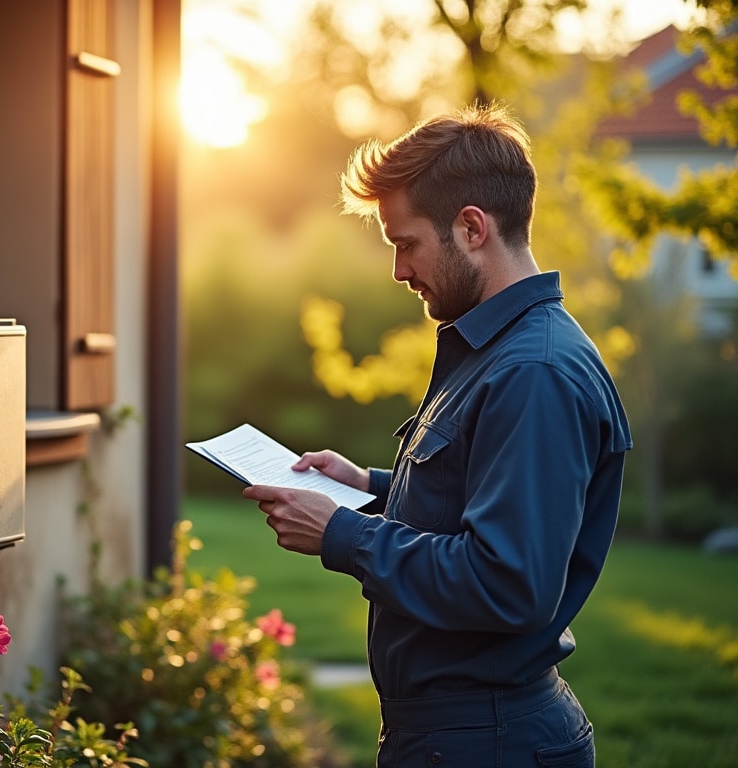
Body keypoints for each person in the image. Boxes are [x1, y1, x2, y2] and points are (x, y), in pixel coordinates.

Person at [242, 104, 631, 767]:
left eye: (406, 243)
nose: (399, 270)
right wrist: (366, 488)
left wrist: (341, 534)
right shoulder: (495, 350)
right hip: (458, 736)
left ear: (472, 228)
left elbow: (507, 582)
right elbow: (475, 497)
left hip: (487, 742)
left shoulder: (532, 371)